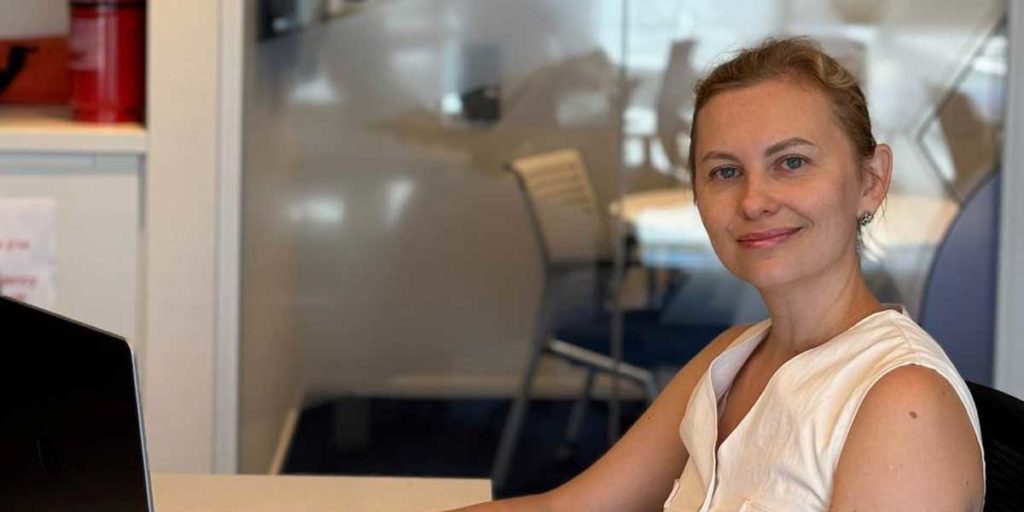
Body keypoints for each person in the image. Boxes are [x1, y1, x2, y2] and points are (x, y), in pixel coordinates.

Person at [448, 37, 985, 512]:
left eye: (791, 162)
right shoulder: (732, 359)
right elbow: (567, 508)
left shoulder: (902, 401)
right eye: (725, 172)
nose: (753, 201)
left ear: (871, 181)